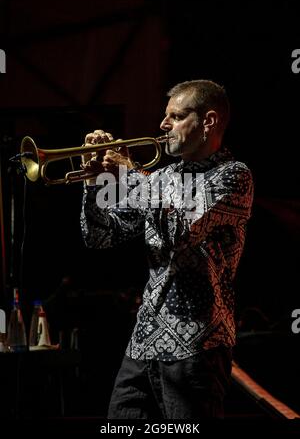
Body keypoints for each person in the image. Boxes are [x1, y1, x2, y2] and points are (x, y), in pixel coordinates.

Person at [80, 79, 254, 419]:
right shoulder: (158, 178)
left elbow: (179, 230)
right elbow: (102, 236)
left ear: (208, 121)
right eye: (165, 116)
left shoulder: (232, 177)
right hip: (143, 343)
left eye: (175, 116)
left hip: (196, 347)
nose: (163, 125)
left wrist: (130, 173)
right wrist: (94, 180)